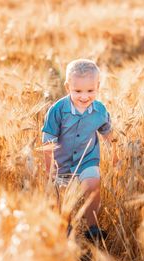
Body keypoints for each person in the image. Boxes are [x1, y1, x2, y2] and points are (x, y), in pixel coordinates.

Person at [42, 58, 117, 242]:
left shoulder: (99, 110)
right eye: (78, 91)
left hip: (87, 159)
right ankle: (65, 227)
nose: (84, 96)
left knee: (92, 185)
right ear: (68, 87)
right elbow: (48, 141)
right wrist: (50, 168)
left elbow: (108, 133)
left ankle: (93, 227)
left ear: (98, 86)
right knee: (63, 197)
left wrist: (116, 156)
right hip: (62, 162)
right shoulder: (57, 110)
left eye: (90, 91)